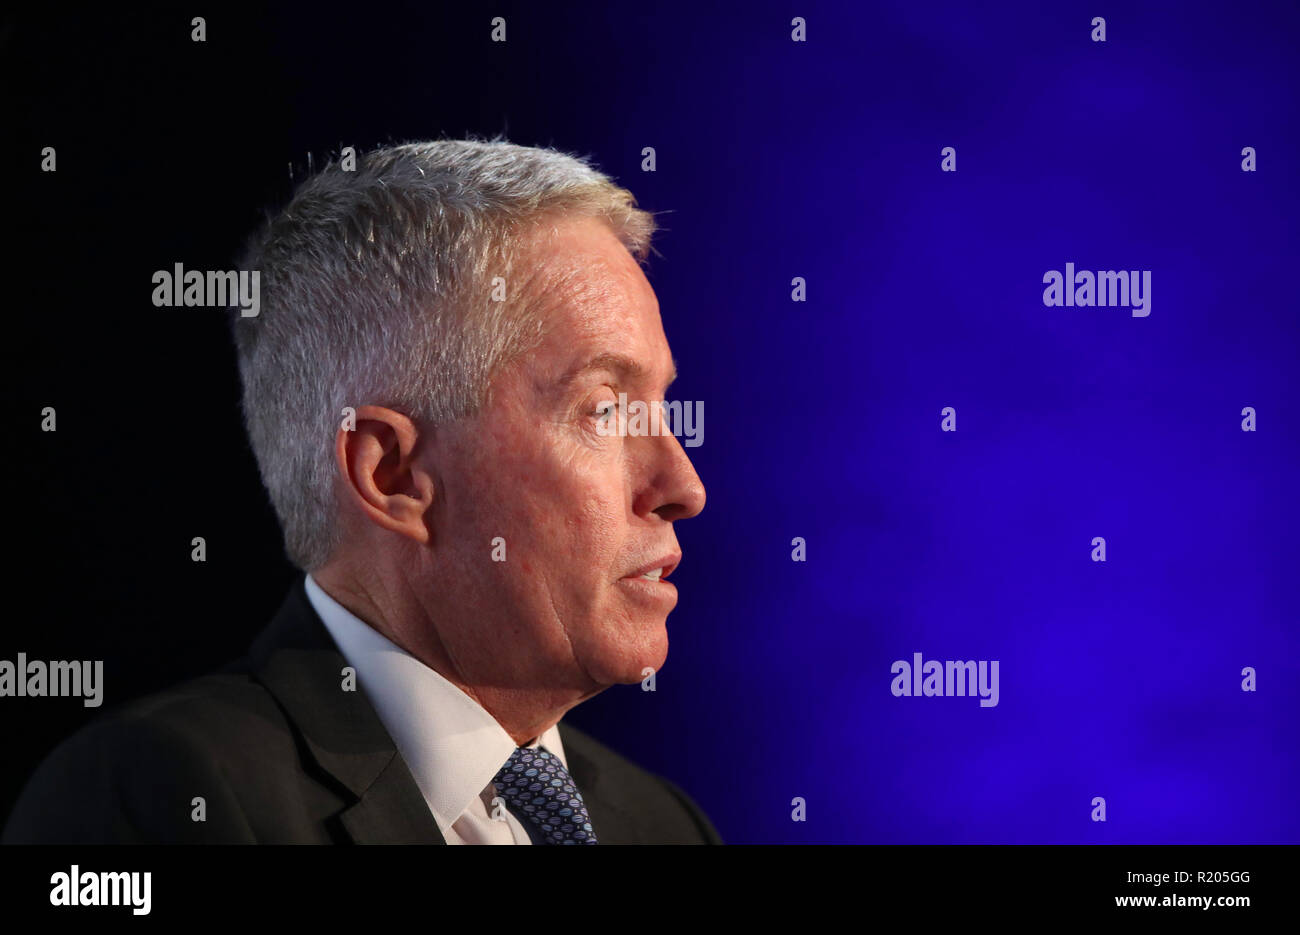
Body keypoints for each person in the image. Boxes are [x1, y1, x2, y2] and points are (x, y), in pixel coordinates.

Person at [3, 140, 718, 845]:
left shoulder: (664, 824)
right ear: (392, 476)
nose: (683, 487)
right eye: (603, 409)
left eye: (659, 404)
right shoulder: (160, 798)